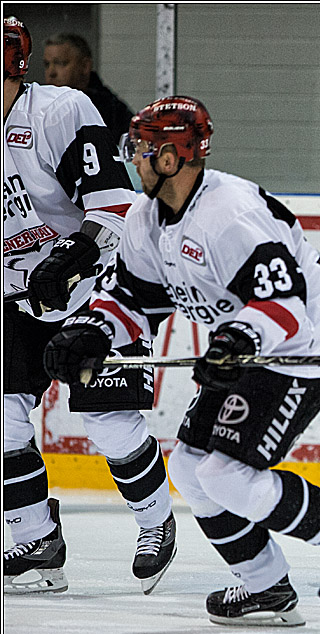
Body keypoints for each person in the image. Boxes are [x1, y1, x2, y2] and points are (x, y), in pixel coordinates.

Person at [42, 94, 320, 626]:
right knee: (189, 468)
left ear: (170, 157)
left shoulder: (231, 215)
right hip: (252, 345)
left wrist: (235, 342)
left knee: (228, 474)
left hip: (301, 347)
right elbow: (133, 300)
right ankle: (266, 587)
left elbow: (285, 307)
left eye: (140, 148)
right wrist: (92, 332)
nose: (131, 157)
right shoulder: (146, 220)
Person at [3, 16, 176, 596]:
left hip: (94, 287)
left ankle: (155, 521)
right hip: (15, 295)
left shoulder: (60, 111)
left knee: (108, 424)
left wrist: (70, 258)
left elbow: (117, 206)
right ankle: (32, 542)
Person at [42, 32, 132, 136]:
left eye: (61, 63)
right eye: (46, 64)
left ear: (85, 66)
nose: (51, 72)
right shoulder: (37, 107)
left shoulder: (112, 112)